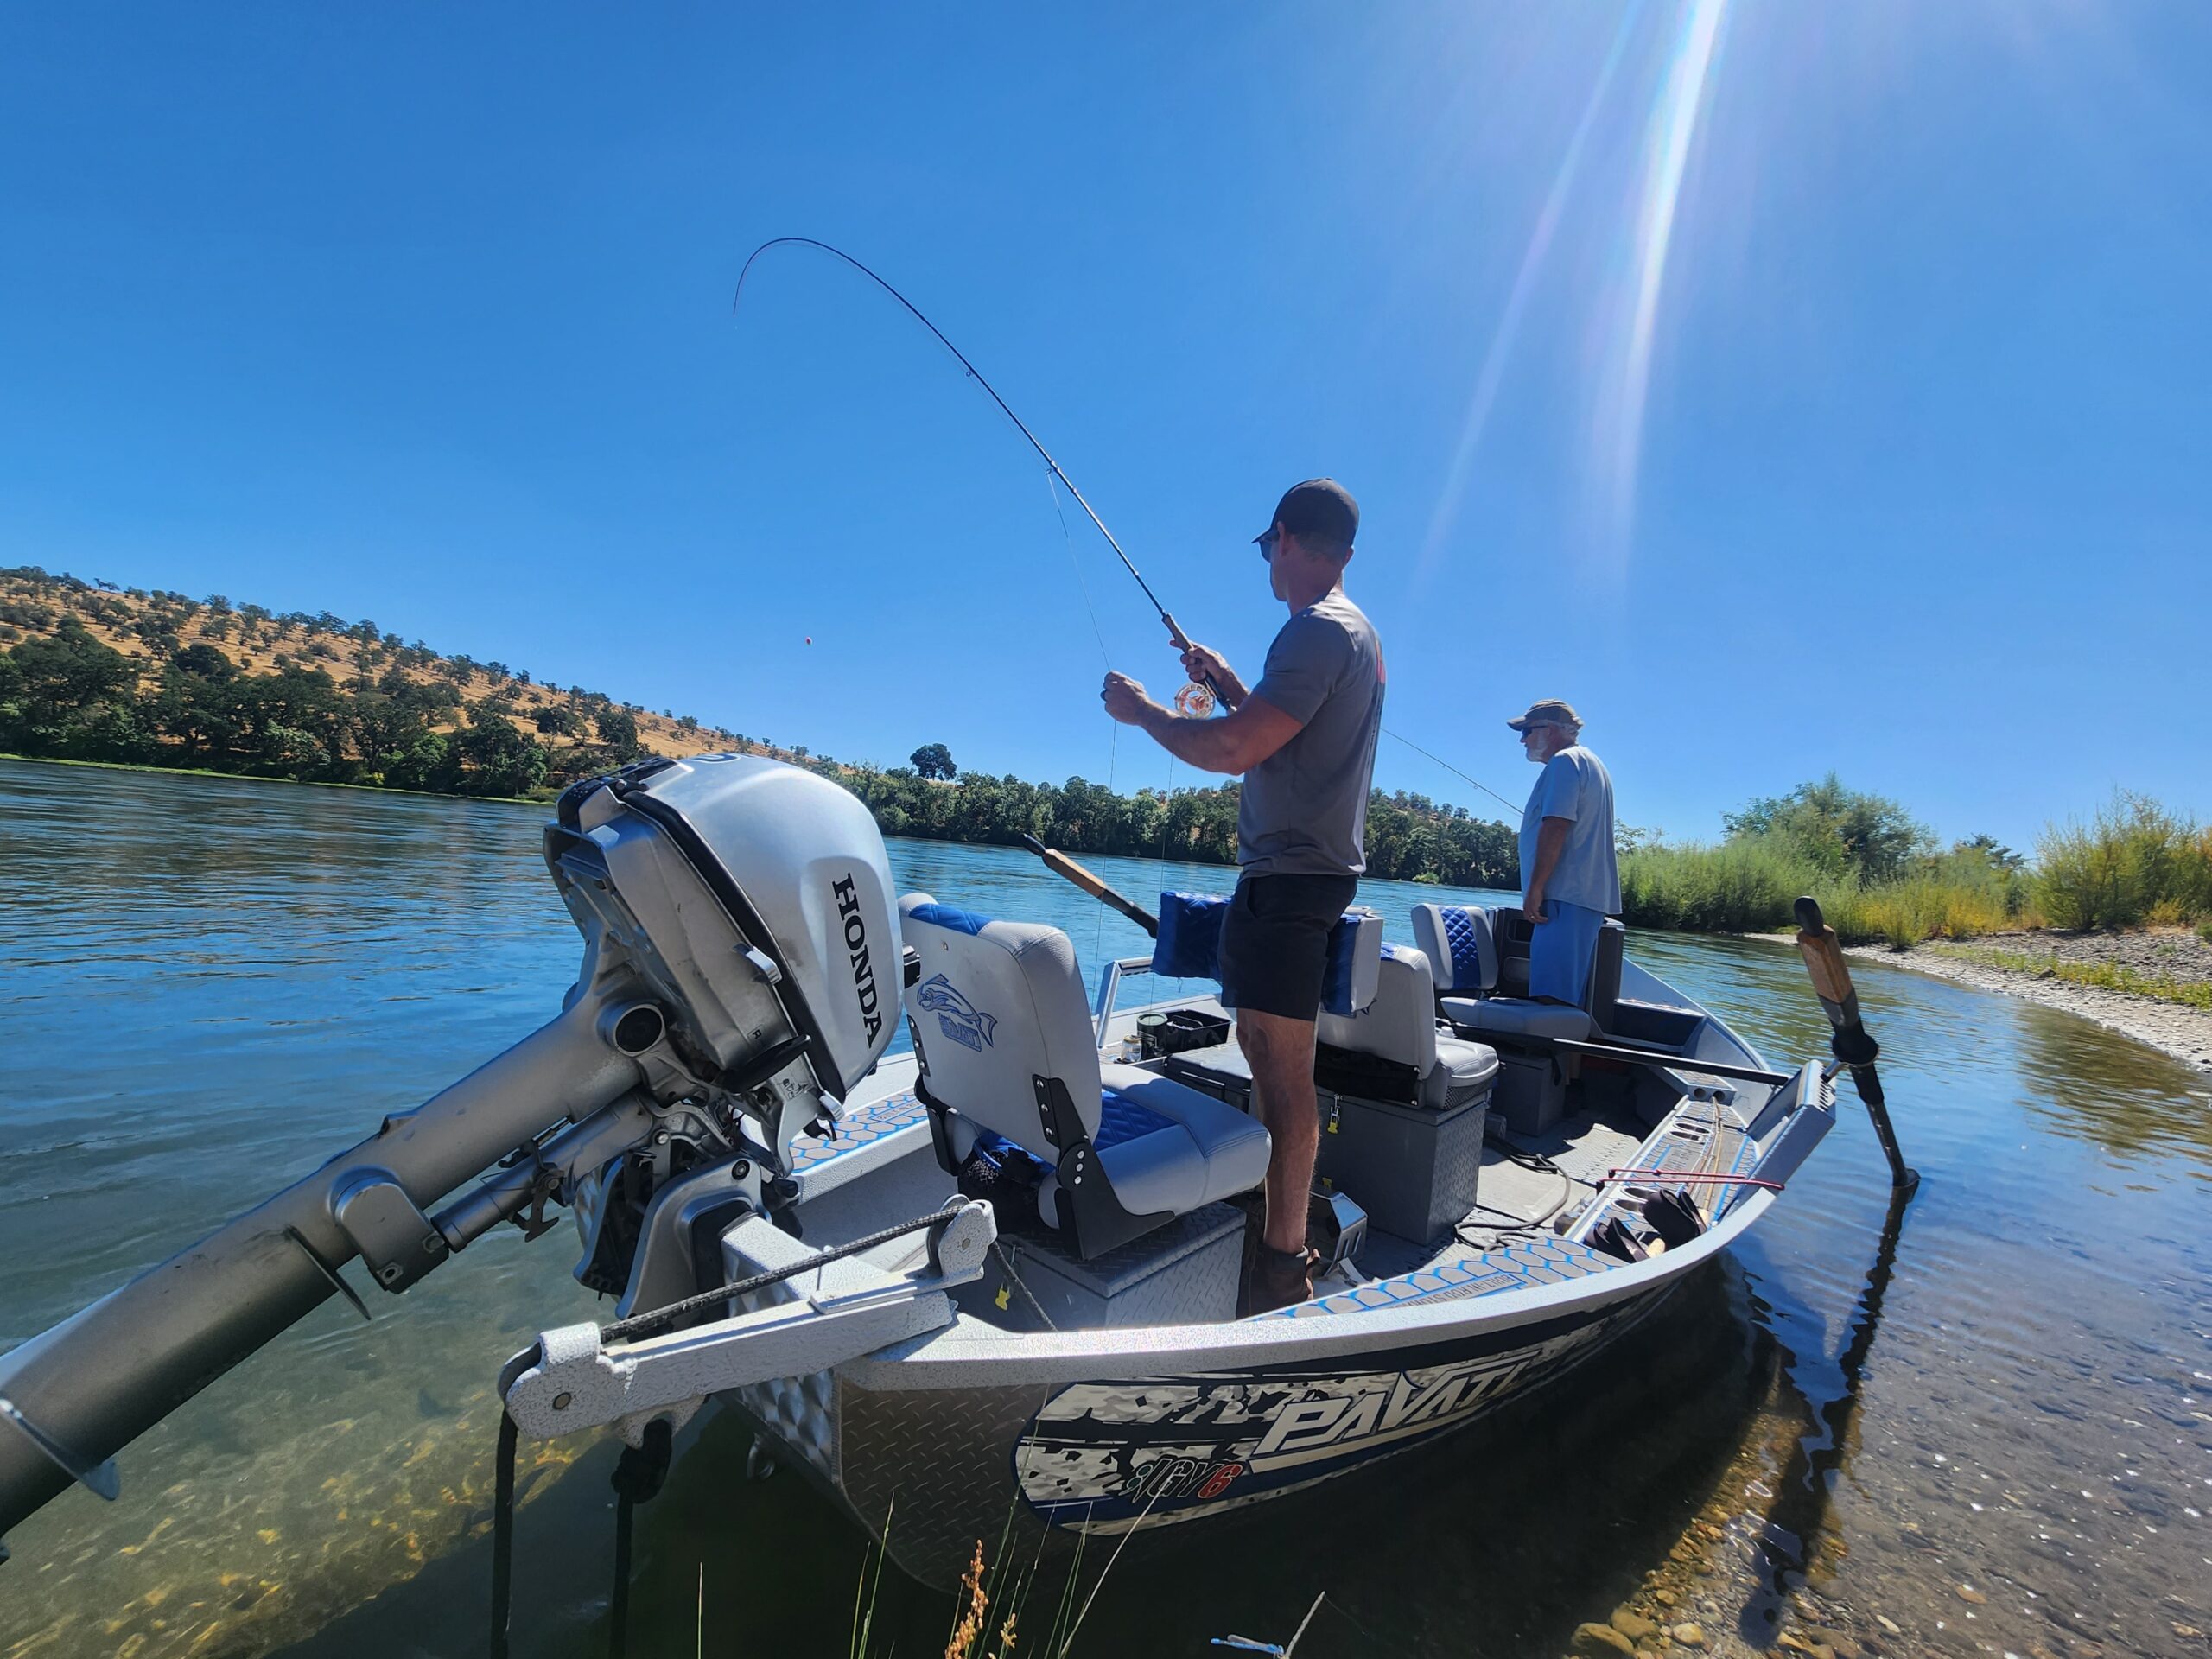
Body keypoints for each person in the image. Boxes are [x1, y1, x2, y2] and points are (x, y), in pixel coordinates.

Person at [1100, 479, 1384, 1313]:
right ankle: (1274, 1225)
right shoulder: (1348, 636)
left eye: (1267, 547)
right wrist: (1225, 677)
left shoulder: (1316, 633)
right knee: (1269, 1062)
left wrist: (1144, 712)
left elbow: (1232, 750)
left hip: (1291, 879)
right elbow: (1274, 735)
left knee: (1283, 1075)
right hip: (1303, 878)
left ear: (1287, 540)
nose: (1268, 559)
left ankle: (1280, 1263)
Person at [1507, 699, 1619, 1007]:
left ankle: (1549, 1053)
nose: (1523, 739)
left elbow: (1556, 824)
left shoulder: (1564, 762)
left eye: (1528, 730)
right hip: (1580, 898)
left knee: (1551, 998)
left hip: (1563, 897)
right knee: (1565, 995)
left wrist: (1536, 888)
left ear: (1551, 730)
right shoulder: (1591, 762)